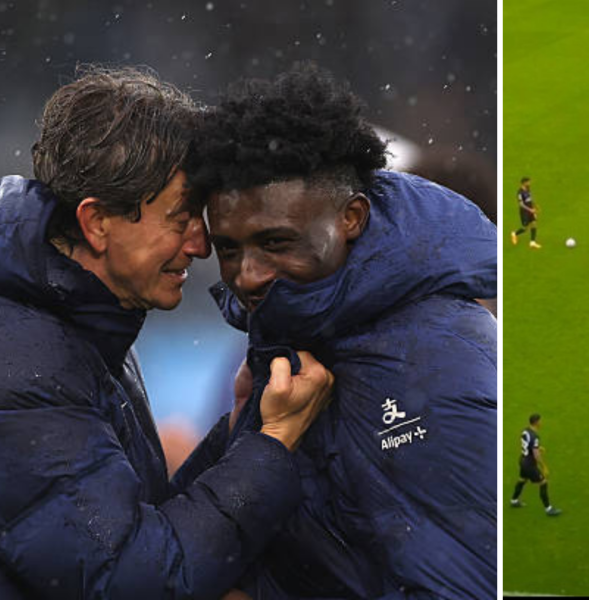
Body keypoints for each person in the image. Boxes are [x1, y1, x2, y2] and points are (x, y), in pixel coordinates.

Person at [0, 66, 335, 598]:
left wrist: (237, 432)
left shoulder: (76, 321)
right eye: (181, 218)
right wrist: (272, 446)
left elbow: (135, 524)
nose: (200, 246)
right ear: (96, 222)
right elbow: (139, 579)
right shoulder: (22, 362)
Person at [182, 63, 497, 599]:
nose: (247, 276)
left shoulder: (435, 361)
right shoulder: (293, 335)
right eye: (229, 250)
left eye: (276, 243)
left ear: (351, 217)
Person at [510, 414, 561, 516]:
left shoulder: (525, 431)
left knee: (522, 480)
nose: (541, 423)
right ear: (536, 422)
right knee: (543, 482)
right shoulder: (535, 436)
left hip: (523, 460)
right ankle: (548, 509)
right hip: (529, 464)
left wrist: (538, 447)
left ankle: (514, 501)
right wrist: (544, 467)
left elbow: (527, 444)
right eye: (540, 421)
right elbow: (536, 455)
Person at [511, 176, 541, 249]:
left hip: (531, 210)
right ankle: (514, 233)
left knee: (534, 224)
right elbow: (521, 204)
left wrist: (535, 207)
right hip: (524, 212)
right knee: (525, 228)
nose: (530, 183)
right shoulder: (520, 192)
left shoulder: (528, 189)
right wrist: (530, 210)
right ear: (524, 183)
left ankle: (532, 242)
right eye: (528, 182)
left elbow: (530, 199)